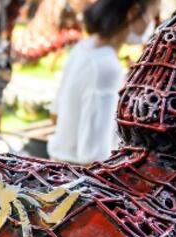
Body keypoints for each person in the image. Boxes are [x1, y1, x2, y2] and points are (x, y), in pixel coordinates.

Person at [47, 0, 156, 164]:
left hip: (59, 166)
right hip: (79, 175)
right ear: (133, 12)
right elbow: (95, 157)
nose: (151, 23)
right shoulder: (106, 66)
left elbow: (55, 115)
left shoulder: (83, 48)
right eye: (152, 14)